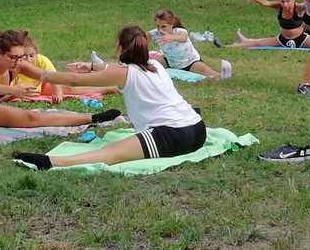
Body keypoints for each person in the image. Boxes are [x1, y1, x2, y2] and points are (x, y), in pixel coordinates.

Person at [12, 26, 206, 170]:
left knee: (109, 154)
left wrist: (34, 71)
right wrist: (92, 66)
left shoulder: (125, 73)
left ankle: (51, 163)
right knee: (115, 150)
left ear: (120, 47)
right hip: (197, 130)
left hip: (172, 135)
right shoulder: (155, 65)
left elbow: (73, 80)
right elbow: (112, 70)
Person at [150, 9, 232, 80]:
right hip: (170, 61)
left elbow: (184, 38)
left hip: (190, 62)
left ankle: (223, 75)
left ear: (172, 24)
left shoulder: (180, 31)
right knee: (152, 64)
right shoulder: (156, 33)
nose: (160, 30)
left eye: (163, 26)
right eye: (157, 26)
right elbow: (144, 37)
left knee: (205, 72)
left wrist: (172, 37)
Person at [231, 0, 310, 49]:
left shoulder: (298, 8)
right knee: (258, 43)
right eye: (282, 1)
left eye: (288, 1)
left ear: (293, 0)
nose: (285, 4)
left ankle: (245, 41)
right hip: (282, 39)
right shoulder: (278, 6)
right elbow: (266, 3)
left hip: (301, 38)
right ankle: (228, 46)